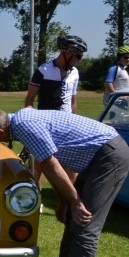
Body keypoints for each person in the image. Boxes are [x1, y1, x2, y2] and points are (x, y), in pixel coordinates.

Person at [0, 107, 129, 257]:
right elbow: (52, 165)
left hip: (108, 157)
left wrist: (75, 201)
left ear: (0, 131)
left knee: (86, 223)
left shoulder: (24, 126)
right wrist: (64, 201)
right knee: (73, 217)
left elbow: (51, 164)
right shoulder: (21, 121)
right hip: (99, 156)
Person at [23, 34, 88, 206]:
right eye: (78, 56)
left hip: (66, 124)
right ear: (66, 53)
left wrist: (75, 121)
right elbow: (29, 98)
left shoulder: (75, 73)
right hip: (46, 124)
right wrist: (31, 118)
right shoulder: (44, 70)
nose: (79, 60)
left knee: (70, 164)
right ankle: (35, 200)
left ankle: (68, 202)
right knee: (39, 164)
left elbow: (72, 101)